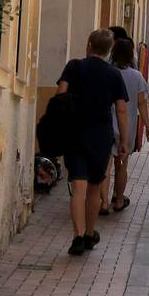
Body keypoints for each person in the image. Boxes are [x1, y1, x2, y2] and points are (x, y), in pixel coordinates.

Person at [57, 28, 129, 255]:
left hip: (75, 132)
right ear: (109, 51)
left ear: (88, 46)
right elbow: (121, 109)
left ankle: (77, 236)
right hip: (101, 134)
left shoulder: (74, 66)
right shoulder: (114, 74)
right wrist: (123, 140)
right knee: (94, 187)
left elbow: (61, 94)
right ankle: (89, 233)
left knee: (78, 185)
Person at [101, 36, 149, 215]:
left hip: (107, 123)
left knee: (106, 165)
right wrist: (148, 127)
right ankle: (119, 199)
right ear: (131, 55)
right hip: (128, 125)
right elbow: (141, 104)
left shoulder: (107, 72)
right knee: (122, 164)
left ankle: (103, 202)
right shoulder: (136, 76)